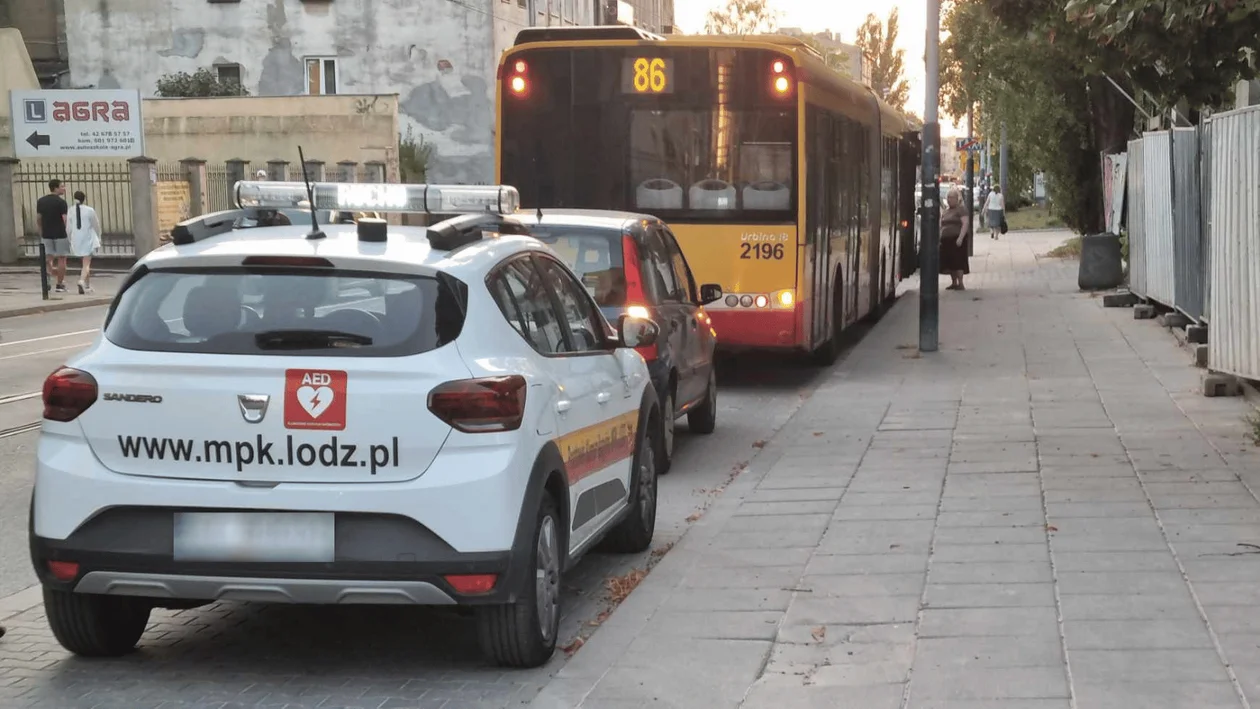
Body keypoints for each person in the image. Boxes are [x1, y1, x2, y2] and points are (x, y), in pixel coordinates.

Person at [36, 179, 70, 293]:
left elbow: (39, 218)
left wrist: (41, 231)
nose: (64, 188)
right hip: (60, 234)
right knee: (62, 258)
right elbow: (64, 219)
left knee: (48, 258)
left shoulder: (41, 201)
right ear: (55, 188)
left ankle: (47, 281)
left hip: (46, 233)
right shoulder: (61, 203)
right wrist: (67, 232)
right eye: (62, 186)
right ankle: (60, 284)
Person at [68, 191, 102, 294]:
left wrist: (70, 239)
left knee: (85, 263)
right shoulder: (89, 210)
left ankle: (87, 285)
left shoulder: (71, 210)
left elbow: (68, 228)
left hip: (76, 238)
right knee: (86, 263)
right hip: (87, 238)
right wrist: (99, 236)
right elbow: (96, 225)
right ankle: (81, 281)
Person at [940, 186, 972, 291]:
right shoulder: (946, 210)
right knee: (950, 263)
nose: (949, 200)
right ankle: (954, 282)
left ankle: (961, 283)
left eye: (952, 197)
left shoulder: (961, 209)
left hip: (957, 239)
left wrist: (960, 238)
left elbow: (965, 223)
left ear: (957, 198)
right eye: (948, 197)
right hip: (946, 240)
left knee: (958, 262)